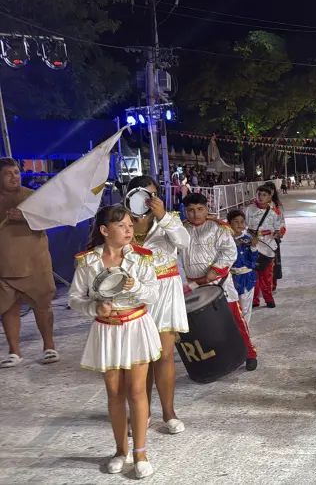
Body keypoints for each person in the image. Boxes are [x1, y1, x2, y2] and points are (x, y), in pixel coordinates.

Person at [68, 205, 161, 478]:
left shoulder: (142, 259)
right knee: (114, 393)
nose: (129, 230)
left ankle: (140, 452)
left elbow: (154, 294)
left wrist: (138, 287)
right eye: (122, 226)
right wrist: (94, 309)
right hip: (106, 330)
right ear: (105, 230)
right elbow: (74, 298)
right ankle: (120, 450)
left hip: (135, 325)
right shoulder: (87, 262)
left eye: (131, 225)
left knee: (137, 391)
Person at [126, 176, 189, 434]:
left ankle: (169, 412)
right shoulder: (122, 221)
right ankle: (143, 413)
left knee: (164, 356)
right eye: (140, 195)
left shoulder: (168, 221)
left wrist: (163, 216)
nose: (147, 201)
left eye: (151, 195)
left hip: (166, 290)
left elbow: (184, 242)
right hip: (133, 295)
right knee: (139, 359)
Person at [181, 193, 258, 371]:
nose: (195, 214)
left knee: (234, 318)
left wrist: (215, 269)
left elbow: (229, 252)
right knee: (205, 324)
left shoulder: (218, 228)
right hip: (195, 287)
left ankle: (250, 352)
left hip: (220, 283)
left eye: (200, 209)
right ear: (185, 212)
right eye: (191, 210)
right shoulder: (181, 230)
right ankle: (218, 356)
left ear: (207, 209)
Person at [0, 158, 58, 368]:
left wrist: (25, 216)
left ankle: (49, 346)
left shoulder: (31, 197)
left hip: (35, 264)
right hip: (4, 266)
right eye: (8, 173)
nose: (14, 177)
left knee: (43, 306)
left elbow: (50, 219)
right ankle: (14, 351)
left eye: (16, 172)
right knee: (8, 309)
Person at [243, 183, 285, 309]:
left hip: (268, 246)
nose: (261, 197)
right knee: (253, 274)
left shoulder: (275, 212)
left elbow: (280, 226)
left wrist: (279, 233)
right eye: (259, 194)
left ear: (269, 198)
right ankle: (254, 300)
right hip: (251, 245)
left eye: (264, 195)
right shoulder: (249, 209)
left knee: (266, 275)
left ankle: (268, 298)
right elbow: (242, 225)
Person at [227, 210, 259, 326]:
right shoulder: (226, 239)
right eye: (236, 222)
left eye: (242, 222)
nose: (240, 224)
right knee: (232, 306)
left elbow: (253, 258)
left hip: (247, 278)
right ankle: (235, 330)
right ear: (229, 223)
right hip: (230, 278)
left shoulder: (248, 239)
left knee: (245, 307)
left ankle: (245, 332)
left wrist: (253, 246)